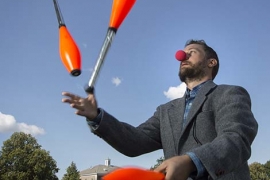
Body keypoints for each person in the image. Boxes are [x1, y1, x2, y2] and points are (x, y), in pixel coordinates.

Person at [62, 39, 258, 180]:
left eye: (192, 52)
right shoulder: (166, 111)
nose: (182, 56)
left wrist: (192, 161)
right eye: (183, 52)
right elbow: (134, 142)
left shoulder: (230, 94)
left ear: (211, 62)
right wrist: (97, 117)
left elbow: (236, 139)